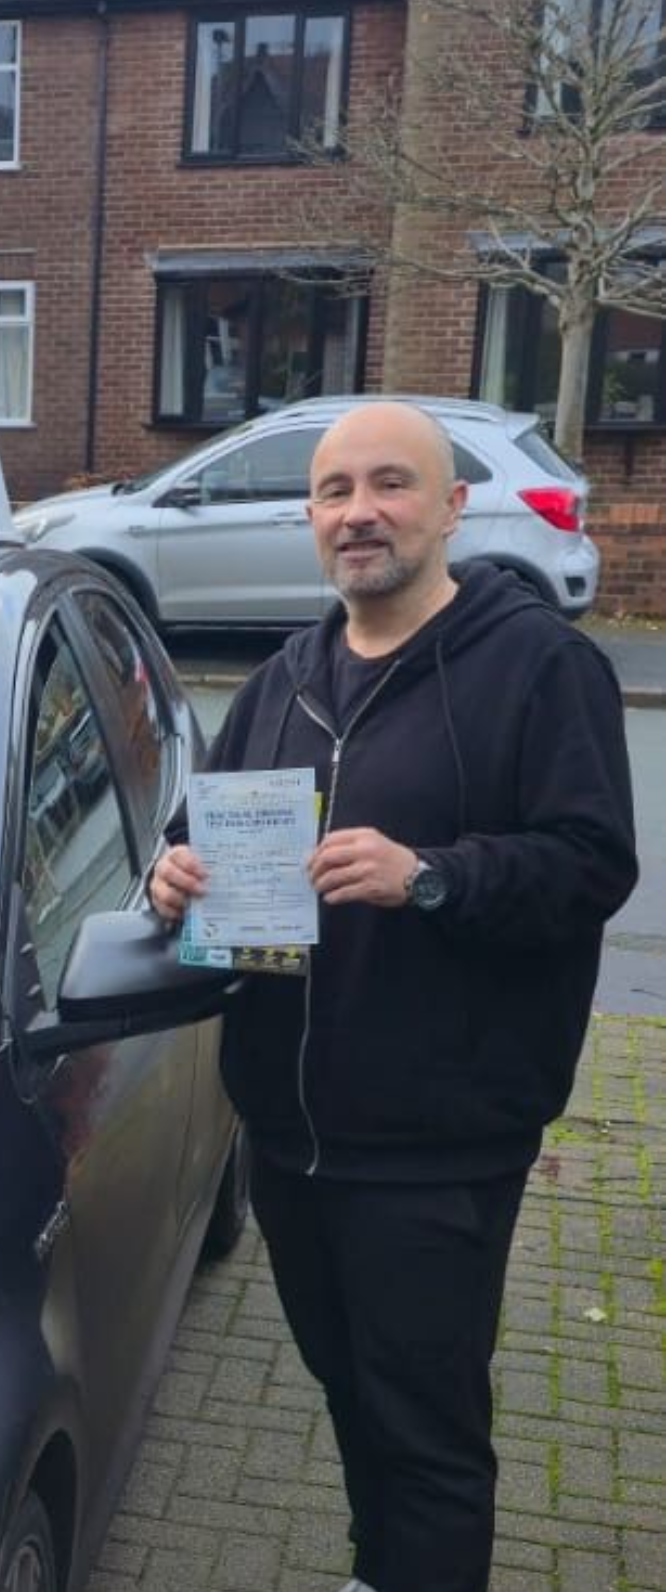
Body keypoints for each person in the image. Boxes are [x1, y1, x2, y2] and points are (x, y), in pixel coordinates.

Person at [150, 401, 637, 1592]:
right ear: (311, 519)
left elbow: (590, 862)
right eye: (332, 492)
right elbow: (205, 829)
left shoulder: (539, 668)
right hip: (288, 1125)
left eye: (389, 485)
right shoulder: (284, 678)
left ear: (451, 507)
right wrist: (172, 869)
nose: (358, 512)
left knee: (425, 1429)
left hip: (437, 1142)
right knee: (349, 1389)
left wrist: (431, 876)